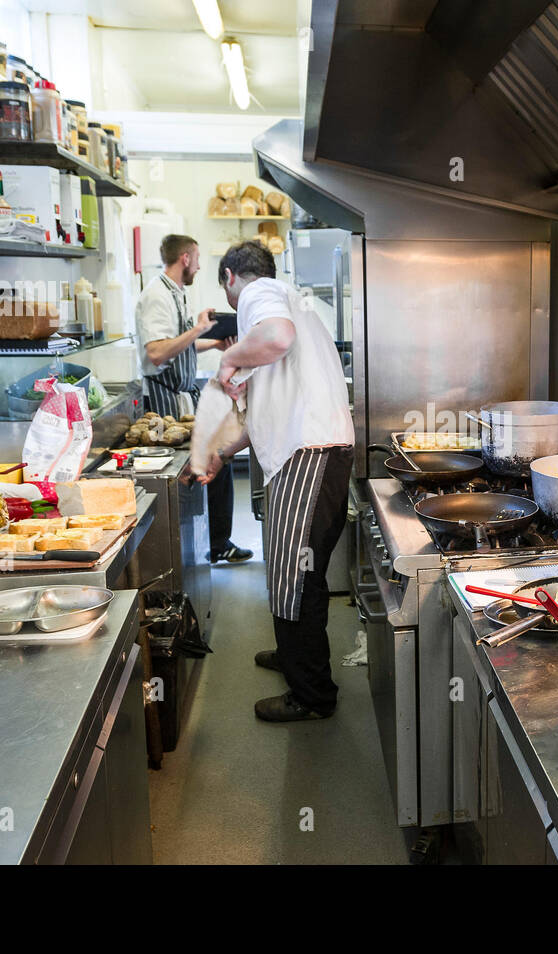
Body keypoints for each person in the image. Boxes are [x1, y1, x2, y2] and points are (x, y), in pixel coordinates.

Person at [197, 241, 354, 723]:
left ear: (229, 277)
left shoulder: (258, 293)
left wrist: (227, 361)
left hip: (308, 454)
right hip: (310, 453)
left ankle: (311, 696)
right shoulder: (288, 296)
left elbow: (278, 337)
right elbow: (265, 408)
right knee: (290, 572)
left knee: (297, 576)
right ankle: (295, 660)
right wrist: (220, 452)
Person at [134, 233, 252, 564]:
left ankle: (213, 542)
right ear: (185, 258)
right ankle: (205, 546)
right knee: (199, 470)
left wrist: (213, 344)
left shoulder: (176, 294)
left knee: (214, 464)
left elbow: (177, 344)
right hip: (165, 401)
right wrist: (199, 329)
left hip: (184, 396)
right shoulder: (156, 297)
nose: (199, 266)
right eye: (197, 259)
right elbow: (157, 353)